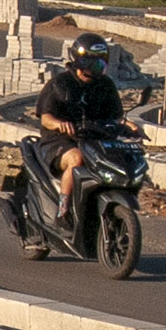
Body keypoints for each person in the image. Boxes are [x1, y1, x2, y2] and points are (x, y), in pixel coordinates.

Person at [28, 30, 128, 212]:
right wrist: (60, 124)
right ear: (80, 60)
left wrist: (129, 126)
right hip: (60, 141)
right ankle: (63, 209)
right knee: (77, 159)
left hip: (94, 139)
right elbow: (45, 118)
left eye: (100, 61)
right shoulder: (60, 84)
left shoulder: (105, 85)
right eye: (92, 61)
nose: (96, 66)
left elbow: (116, 116)